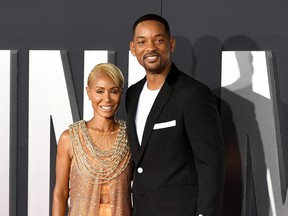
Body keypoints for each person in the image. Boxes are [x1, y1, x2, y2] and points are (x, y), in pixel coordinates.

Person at [126, 14, 225, 216]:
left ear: (171, 44)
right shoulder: (132, 94)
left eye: (158, 40)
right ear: (133, 48)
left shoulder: (193, 94)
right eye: (142, 41)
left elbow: (210, 163)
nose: (150, 48)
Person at [52, 63, 133, 216]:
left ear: (121, 94)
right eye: (99, 91)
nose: (106, 99)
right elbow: (61, 193)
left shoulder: (131, 137)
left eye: (113, 91)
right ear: (88, 93)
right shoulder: (70, 138)